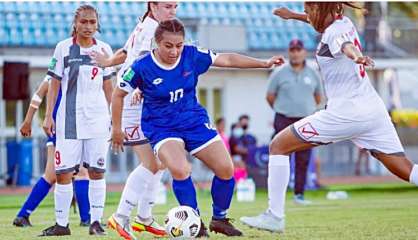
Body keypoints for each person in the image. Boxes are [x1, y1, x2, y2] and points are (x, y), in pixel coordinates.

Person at [240, 2, 418, 233]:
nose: (309, 14)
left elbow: (344, 46)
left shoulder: (334, 33)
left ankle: (274, 216)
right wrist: (292, 15)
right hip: (372, 109)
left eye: (311, 9)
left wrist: (357, 56)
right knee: (406, 169)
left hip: (345, 113)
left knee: (278, 146)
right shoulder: (344, 22)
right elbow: (323, 24)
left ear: (328, 10)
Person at [112, 18, 284, 237]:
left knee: (226, 169)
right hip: (161, 127)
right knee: (180, 169)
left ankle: (219, 219)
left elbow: (227, 59)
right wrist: (116, 129)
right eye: (168, 46)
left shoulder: (192, 55)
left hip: (193, 120)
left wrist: (263, 63)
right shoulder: (141, 67)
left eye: (179, 45)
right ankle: (195, 223)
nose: (174, 51)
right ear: (156, 44)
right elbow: (118, 95)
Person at [90, 2, 177, 239]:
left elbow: (126, 53)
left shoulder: (148, 26)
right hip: (132, 101)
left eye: (176, 6)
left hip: (141, 100)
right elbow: (138, 64)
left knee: (161, 161)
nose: (173, 11)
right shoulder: (150, 30)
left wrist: (107, 61)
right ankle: (120, 217)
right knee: (152, 163)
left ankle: (144, 217)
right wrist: (141, 87)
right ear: (153, 5)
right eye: (168, 6)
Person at [40, 4, 114, 236]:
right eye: (84, 22)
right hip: (68, 121)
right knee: (62, 173)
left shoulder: (103, 49)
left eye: (93, 22)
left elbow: (109, 86)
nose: (88, 26)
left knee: (97, 172)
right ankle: (62, 225)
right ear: (75, 23)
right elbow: (53, 84)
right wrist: (48, 115)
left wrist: (115, 118)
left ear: (97, 24)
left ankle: (96, 222)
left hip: (98, 120)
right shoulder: (63, 48)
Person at [13, 75, 91, 228]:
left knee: (50, 175)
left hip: (56, 127)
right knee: (82, 172)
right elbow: (39, 94)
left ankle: (23, 215)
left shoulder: (56, 71)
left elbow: (38, 95)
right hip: (69, 126)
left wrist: (28, 120)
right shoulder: (70, 69)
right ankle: (87, 219)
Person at [266, 39, 322, 205]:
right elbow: (270, 96)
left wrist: (306, 108)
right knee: (280, 156)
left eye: (298, 50)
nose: (295, 53)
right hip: (284, 118)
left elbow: (318, 96)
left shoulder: (313, 73)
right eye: (292, 50)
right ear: (289, 52)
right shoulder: (279, 72)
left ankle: (299, 194)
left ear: (304, 52)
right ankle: (276, 196)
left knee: (304, 158)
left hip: (306, 120)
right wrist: (282, 108)